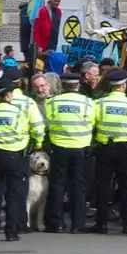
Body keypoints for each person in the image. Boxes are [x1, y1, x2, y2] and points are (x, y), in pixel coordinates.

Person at [0, 68, 34, 242]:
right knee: (13, 195)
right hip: (15, 156)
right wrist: (33, 144)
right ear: (9, 95)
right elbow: (26, 131)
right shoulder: (18, 112)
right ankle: (11, 232)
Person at [42, 73, 94, 232]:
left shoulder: (52, 102)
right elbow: (92, 121)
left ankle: (56, 223)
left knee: (58, 185)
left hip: (59, 148)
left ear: (63, 86)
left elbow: (48, 122)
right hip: (80, 148)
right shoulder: (88, 102)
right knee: (78, 186)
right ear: (77, 86)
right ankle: (77, 224)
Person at [90, 71, 127, 235]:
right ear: (124, 86)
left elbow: (94, 123)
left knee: (103, 186)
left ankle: (101, 223)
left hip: (104, 147)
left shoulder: (99, 103)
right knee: (126, 186)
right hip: (124, 149)